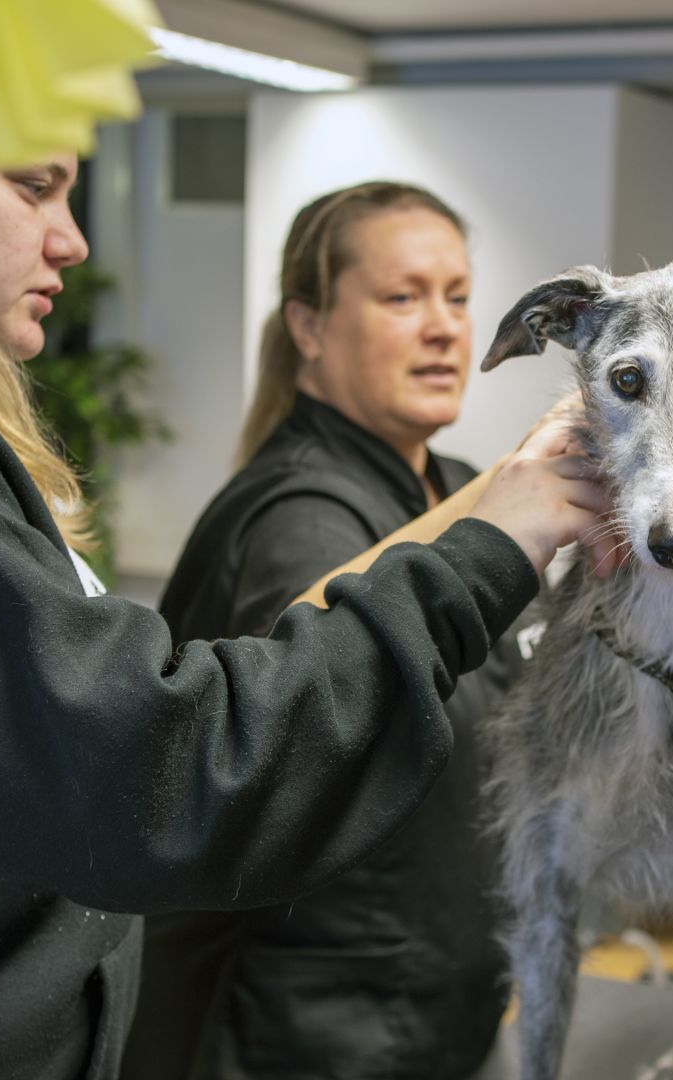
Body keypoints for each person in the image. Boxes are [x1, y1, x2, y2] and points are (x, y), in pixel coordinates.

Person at [0, 15, 602, 1078]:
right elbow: (157, 783)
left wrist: (505, 504)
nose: (71, 238)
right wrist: (503, 538)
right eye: (35, 186)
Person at [123, 182, 520, 1080]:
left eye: (457, 296)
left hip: (439, 999)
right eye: (401, 297)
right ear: (307, 325)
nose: (443, 327)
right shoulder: (304, 519)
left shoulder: (451, 485)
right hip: (322, 1026)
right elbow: (309, 747)